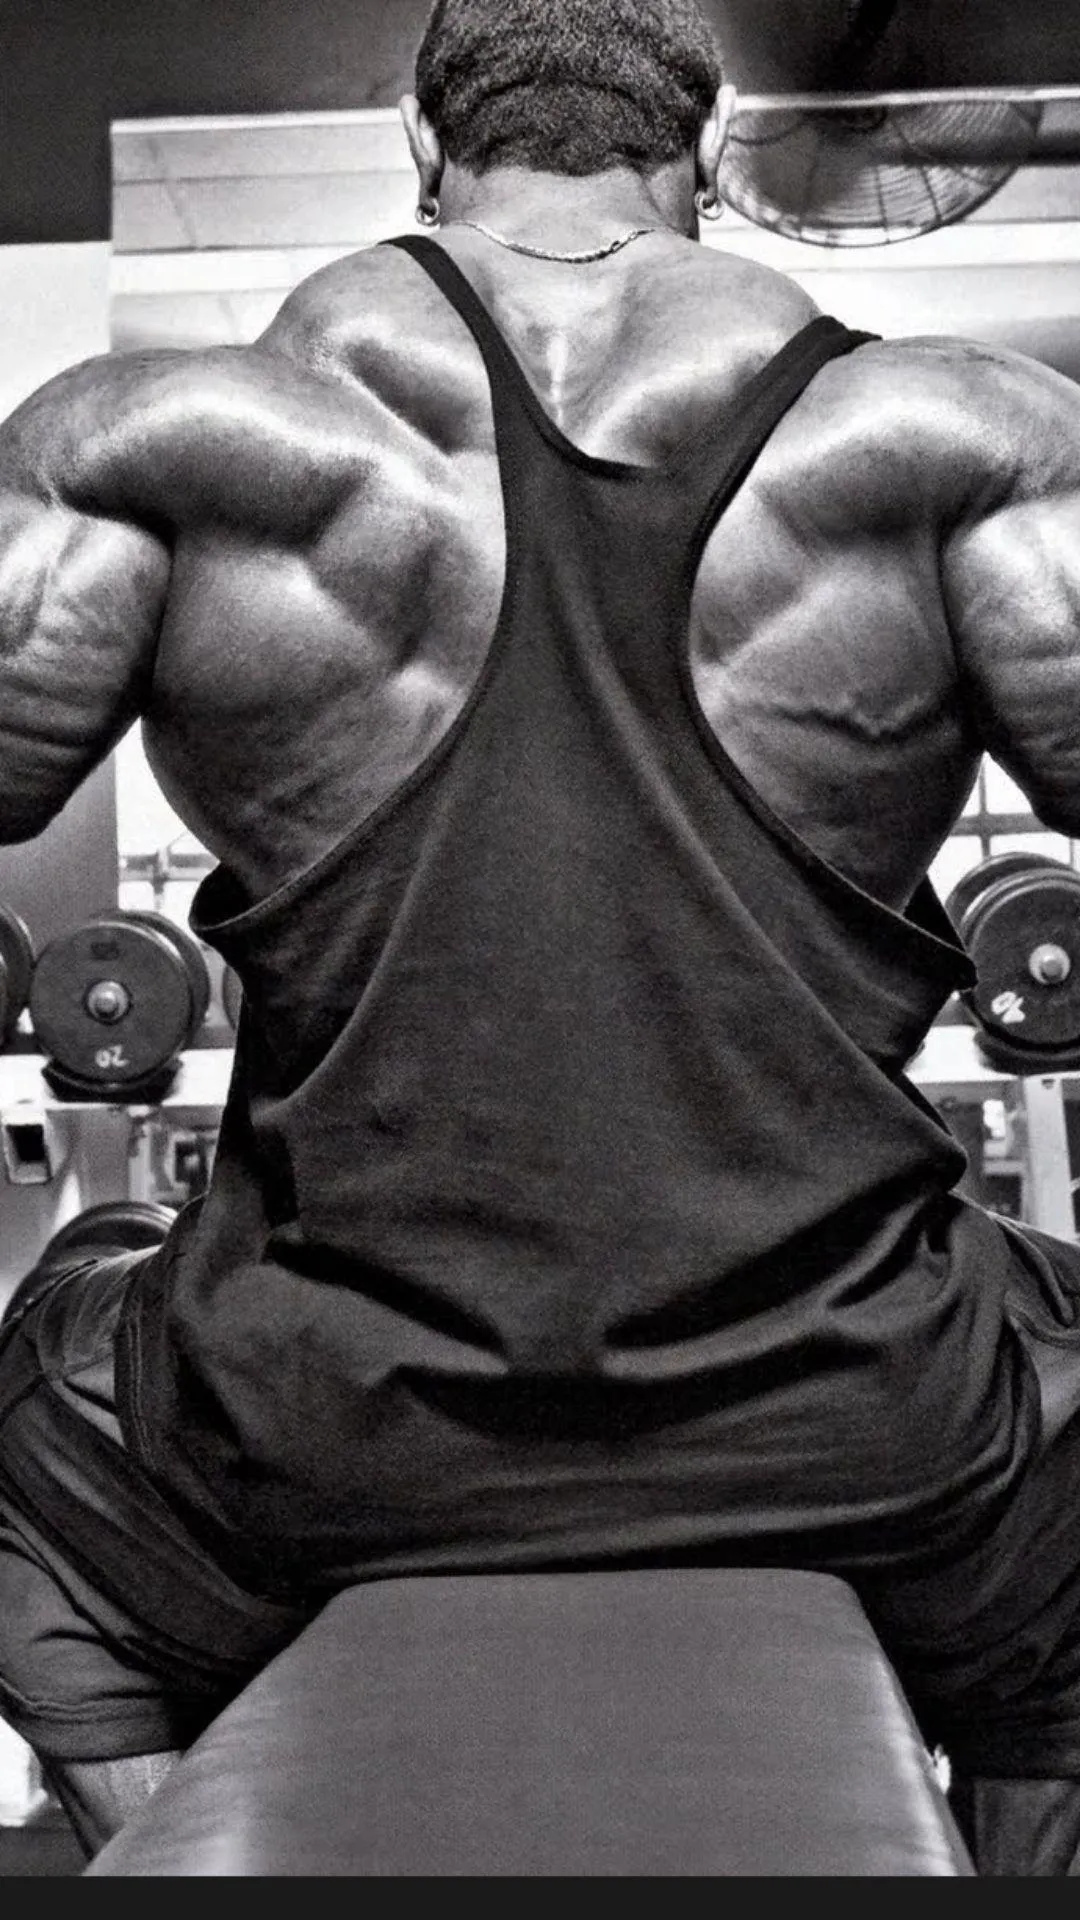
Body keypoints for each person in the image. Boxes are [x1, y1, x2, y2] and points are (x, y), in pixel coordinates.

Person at [2, 0, 1080, 1875]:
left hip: (312, 1434)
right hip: (874, 1420)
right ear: (713, 145)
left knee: (40, 1389)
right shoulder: (966, 438)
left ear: (420, 141)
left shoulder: (155, 444)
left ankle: (182, 1850)